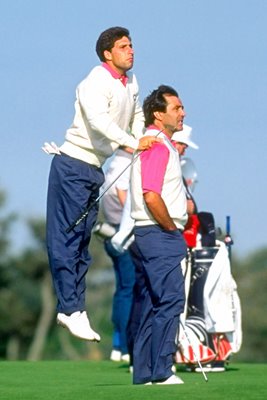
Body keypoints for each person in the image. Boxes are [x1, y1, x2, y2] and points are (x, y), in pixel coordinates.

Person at [45, 26, 160, 343]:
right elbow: (99, 122)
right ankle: (70, 308)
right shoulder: (94, 82)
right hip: (72, 164)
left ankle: (74, 308)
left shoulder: (131, 82)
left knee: (81, 242)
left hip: (93, 169)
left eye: (132, 45)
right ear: (108, 53)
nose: (131, 50)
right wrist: (132, 143)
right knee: (65, 241)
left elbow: (136, 113)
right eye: (124, 46)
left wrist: (140, 137)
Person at [130, 84, 188, 385]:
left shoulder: (157, 143)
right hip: (159, 232)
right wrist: (169, 227)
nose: (183, 113)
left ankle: (145, 372)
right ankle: (162, 371)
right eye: (177, 108)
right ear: (158, 113)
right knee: (170, 299)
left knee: (155, 301)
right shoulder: (156, 144)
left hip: (150, 233)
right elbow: (151, 195)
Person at [99, 147, 135, 362]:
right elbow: (123, 194)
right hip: (125, 235)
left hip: (112, 232)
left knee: (123, 290)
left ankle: (118, 343)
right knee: (130, 290)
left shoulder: (114, 163)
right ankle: (124, 346)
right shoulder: (125, 164)